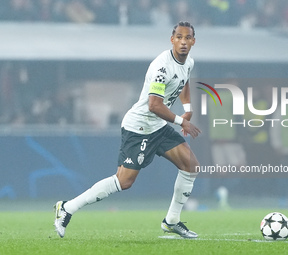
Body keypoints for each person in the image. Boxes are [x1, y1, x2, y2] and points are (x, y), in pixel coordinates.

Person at [54, 21, 201, 239]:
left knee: (190, 166)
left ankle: (172, 221)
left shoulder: (188, 62)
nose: (183, 42)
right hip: (140, 127)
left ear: (193, 42)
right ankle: (67, 208)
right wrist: (182, 121)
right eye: (178, 37)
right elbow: (154, 105)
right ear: (172, 39)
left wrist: (188, 109)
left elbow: (184, 82)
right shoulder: (161, 67)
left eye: (187, 38)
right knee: (124, 182)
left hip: (158, 126)